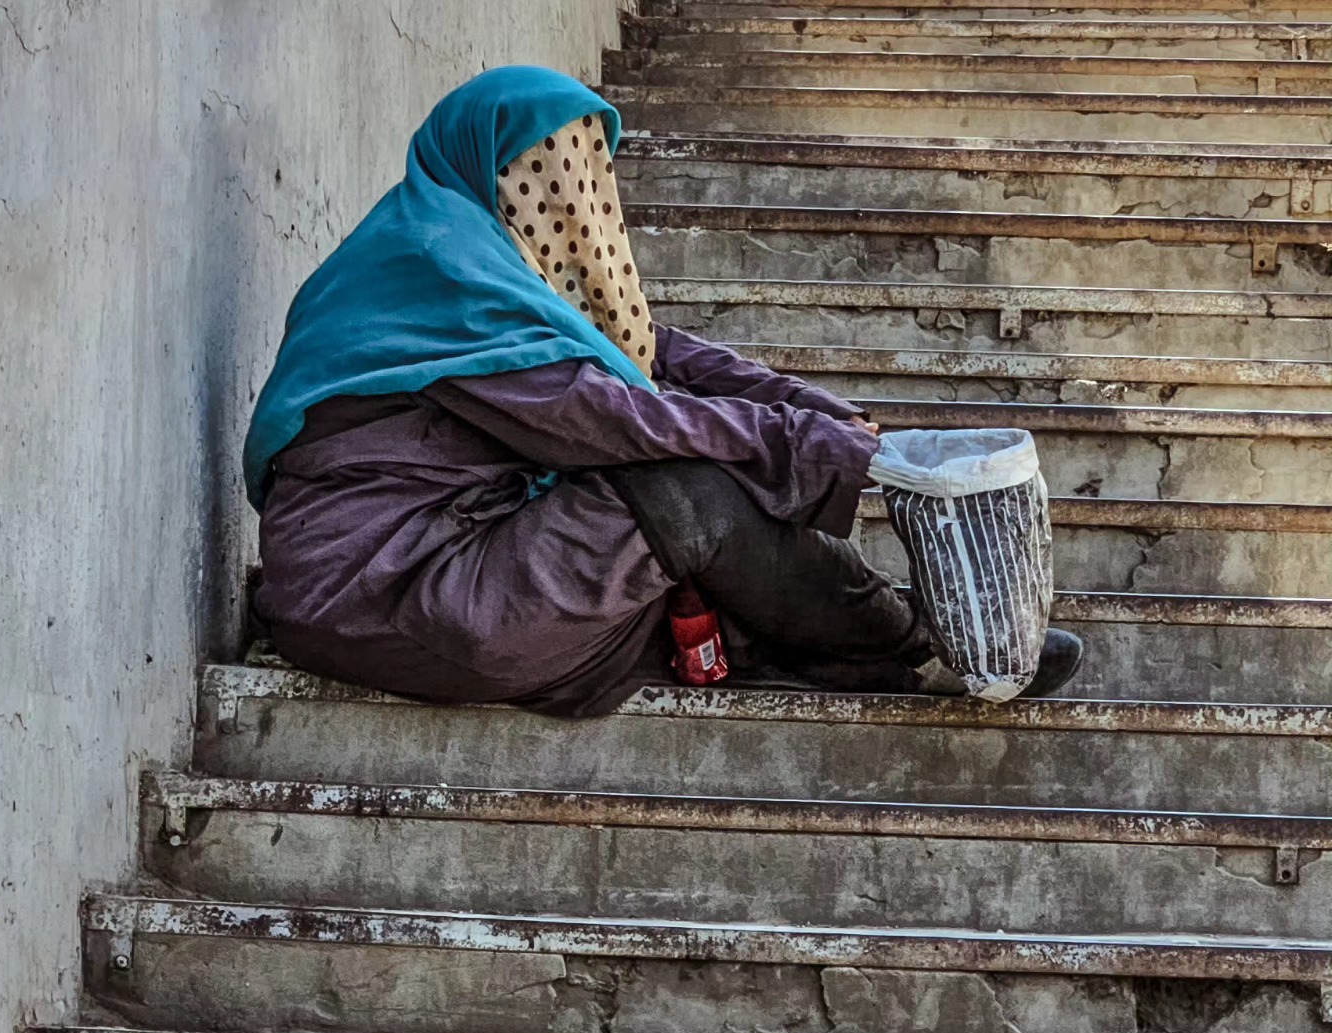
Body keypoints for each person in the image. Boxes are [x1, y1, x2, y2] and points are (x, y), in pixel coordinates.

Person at [244, 67, 1083, 717]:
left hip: (445, 581)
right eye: (545, 172)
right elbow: (606, 416)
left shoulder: (479, 262)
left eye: (584, 170)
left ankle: (874, 643)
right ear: (487, 171)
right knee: (682, 492)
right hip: (388, 595)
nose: (573, 198)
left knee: (699, 529)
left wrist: (822, 417)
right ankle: (911, 647)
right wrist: (806, 448)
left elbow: (653, 355)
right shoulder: (427, 269)